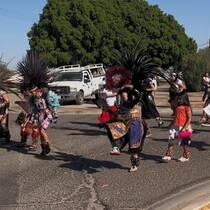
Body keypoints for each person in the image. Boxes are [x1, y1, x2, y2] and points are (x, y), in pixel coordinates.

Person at [107, 86, 145, 172]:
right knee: (113, 129)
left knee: (134, 146)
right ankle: (116, 147)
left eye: (125, 94)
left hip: (135, 125)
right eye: (123, 93)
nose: (124, 95)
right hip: (124, 123)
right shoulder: (123, 103)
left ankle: (134, 163)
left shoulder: (137, 103)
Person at [162, 92, 192, 162]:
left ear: (184, 99)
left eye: (180, 99)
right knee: (171, 139)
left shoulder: (187, 107)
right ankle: (168, 154)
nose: (178, 100)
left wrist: (185, 128)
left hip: (184, 127)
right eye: (178, 99)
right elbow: (176, 116)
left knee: (185, 142)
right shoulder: (177, 107)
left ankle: (186, 155)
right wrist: (172, 122)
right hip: (175, 126)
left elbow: (189, 118)